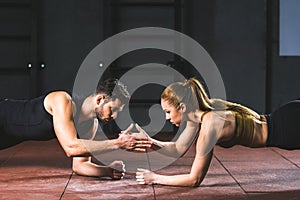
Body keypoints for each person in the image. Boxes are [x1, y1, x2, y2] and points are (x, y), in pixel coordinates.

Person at [135, 77, 300, 187]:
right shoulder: (200, 113)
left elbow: (194, 179)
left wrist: (155, 178)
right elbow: (178, 148)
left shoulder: (210, 126)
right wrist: (150, 142)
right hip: (288, 117)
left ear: (183, 107)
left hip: (289, 129)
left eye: (168, 112)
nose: (166, 117)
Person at [0, 78, 150, 180]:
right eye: (113, 109)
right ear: (100, 100)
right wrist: (118, 143)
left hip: (6, 137)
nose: (115, 116)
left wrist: (107, 171)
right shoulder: (63, 100)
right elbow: (71, 147)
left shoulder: (90, 125)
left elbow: (80, 165)